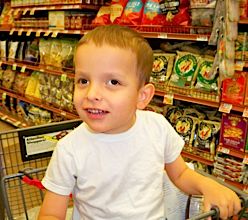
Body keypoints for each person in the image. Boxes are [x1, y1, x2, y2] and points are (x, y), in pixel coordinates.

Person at [38, 25, 241, 220]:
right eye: (83, 81)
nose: (92, 94)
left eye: (113, 82)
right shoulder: (69, 149)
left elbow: (180, 174)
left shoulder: (157, 127)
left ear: (142, 96)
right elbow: (51, 214)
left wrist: (208, 186)